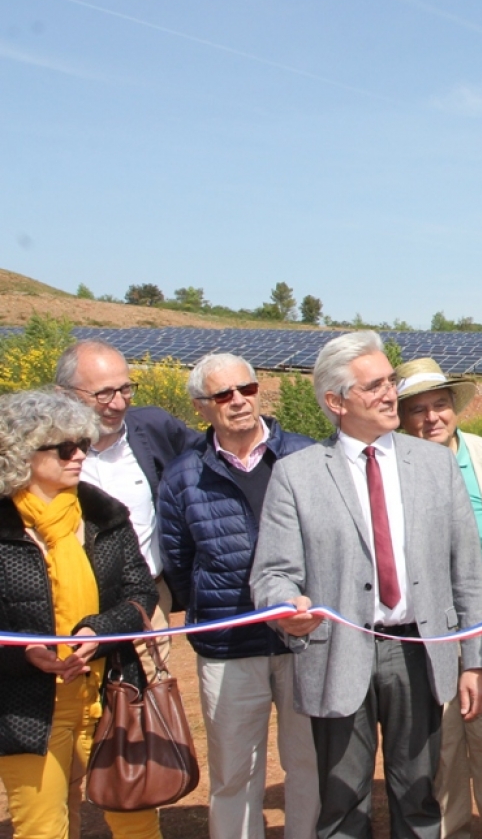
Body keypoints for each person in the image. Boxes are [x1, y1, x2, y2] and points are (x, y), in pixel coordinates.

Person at [251, 331, 482, 839]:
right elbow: (272, 572)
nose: (391, 394)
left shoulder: (435, 465)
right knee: (342, 803)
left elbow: (467, 573)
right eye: (375, 385)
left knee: (419, 797)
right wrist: (283, 607)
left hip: (417, 649)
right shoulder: (296, 476)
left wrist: (475, 659)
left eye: (391, 381)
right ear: (336, 402)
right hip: (335, 652)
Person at [157, 353, 319, 839]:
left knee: (308, 763)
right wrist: (215, 605)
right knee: (232, 773)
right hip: (229, 644)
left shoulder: (307, 456)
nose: (238, 402)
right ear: (200, 407)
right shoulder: (183, 476)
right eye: (222, 395)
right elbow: (179, 559)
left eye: (245, 389)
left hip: (303, 640)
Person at [0, 389, 162, 839]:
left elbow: (140, 592)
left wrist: (100, 629)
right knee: (44, 830)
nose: (78, 457)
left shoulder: (105, 514)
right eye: (65, 448)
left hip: (110, 692)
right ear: (20, 453)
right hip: (26, 708)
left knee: (136, 822)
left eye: (83, 446)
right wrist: (26, 651)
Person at [395, 357, 482, 839]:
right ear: (401, 416)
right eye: (417, 409)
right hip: (419, 639)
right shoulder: (390, 470)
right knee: (441, 749)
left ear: (455, 408)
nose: (431, 417)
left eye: (440, 405)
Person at [56, 339, 201, 676]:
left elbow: (217, 451)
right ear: (63, 393)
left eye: (125, 389)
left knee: (148, 705)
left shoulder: (153, 428)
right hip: (67, 611)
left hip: (146, 603)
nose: (118, 403)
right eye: (103, 393)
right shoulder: (42, 450)